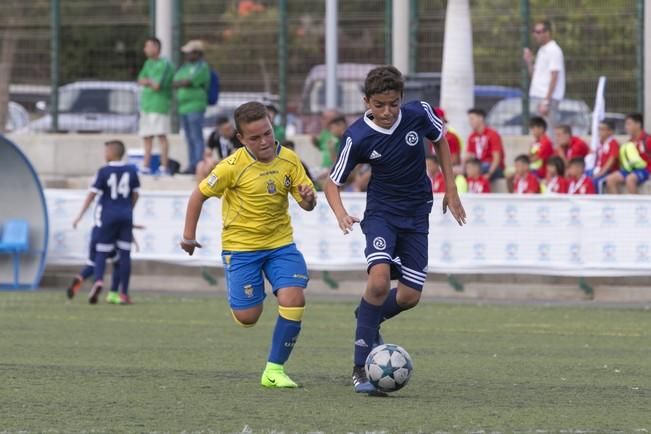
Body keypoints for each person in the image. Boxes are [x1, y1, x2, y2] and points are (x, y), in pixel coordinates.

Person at [323, 65, 466, 395]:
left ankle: (367, 316)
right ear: (366, 102)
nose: (387, 112)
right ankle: (360, 368)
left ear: (401, 99)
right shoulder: (358, 136)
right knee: (378, 279)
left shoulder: (419, 113)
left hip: (417, 215)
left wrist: (452, 188)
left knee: (409, 296)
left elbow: (441, 141)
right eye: (379, 105)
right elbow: (332, 183)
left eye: (393, 104)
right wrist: (341, 213)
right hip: (381, 214)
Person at [180, 102, 317, 388]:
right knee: (248, 318)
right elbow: (198, 196)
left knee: (294, 299)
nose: (265, 141)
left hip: (281, 245)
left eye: (267, 133)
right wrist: (188, 236)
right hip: (241, 249)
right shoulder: (230, 167)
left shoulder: (290, 159)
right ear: (241, 139)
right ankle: (243, 290)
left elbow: (306, 204)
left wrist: (308, 197)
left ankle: (274, 370)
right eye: (255, 138)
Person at [72, 140, 140, 305]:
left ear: (111, 152)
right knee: (125, 256)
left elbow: (92, 194)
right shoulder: (131, 170)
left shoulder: (103, 171)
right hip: (125, 215)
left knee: (101, 252)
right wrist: (128, 209)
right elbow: (136, 194)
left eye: (106, 151)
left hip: (107, 216)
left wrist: (79, 215)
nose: (104, 154)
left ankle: (99, 281)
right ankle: (123, 293)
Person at [137, 37, 173, 175]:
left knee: (161, 136)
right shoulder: (148, 63)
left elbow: (157, 85)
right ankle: (146, 166)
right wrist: (148, 81)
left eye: (148, 46)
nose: (145, 49)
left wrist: (148, 81)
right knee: (147, 136)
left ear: (156, 48)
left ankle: (164, 166)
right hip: (146, 105)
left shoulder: (164, 64)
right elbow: (140, 80)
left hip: (159, 105)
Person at [173, 40, 210, 174]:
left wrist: (183, 82)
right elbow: (176, 81)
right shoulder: (185, 67)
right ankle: (191, 164)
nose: (187, 55)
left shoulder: (202, 67)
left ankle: (198, 165)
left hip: (196, 106)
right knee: (188, 137)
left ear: (197, 53)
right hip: (184, 107)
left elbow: (187, 81)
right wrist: (182, 82)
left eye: (189, 52)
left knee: (196, 137)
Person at [523, 19, 565, 135]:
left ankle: (553, 153)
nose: (536, 35)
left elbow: (554, 76)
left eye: (539, 31)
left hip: (547, 98)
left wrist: (546, 101)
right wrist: (529, 62)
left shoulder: (554, 50)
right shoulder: (542, 50)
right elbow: (535, 77)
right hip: (538, 96)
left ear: (548, 32)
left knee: (549, 132)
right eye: (535, 32)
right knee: (539, 133)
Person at [605, 113, 650, 194]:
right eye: (626, 124)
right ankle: (618, 205)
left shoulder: (647, 140)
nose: (626, 127)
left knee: (630, 180)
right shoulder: (629, 142)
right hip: (630, 170)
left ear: (638, 124)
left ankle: (638, 206)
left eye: (629, 124)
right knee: (610, 179)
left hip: (645, 170)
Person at [466, 108, 505, 181]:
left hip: (492, 168)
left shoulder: (492, 134)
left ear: (481, 118)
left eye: (472, 119)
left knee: (482, 167)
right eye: (469, 119)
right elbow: (469, 156)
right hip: (477, 166)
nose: (470, 122)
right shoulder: (472, 136)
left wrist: (489, 173)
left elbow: (496, 159)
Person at [591, 120, 619, 194]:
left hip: (608, 172)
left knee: (595, 182)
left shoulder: (613, 143)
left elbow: (611, 161)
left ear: (610, 131)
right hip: (597, 169)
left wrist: (600, 173)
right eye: (599, 129)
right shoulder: (600, 143)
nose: (600, 132)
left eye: (603, 129)